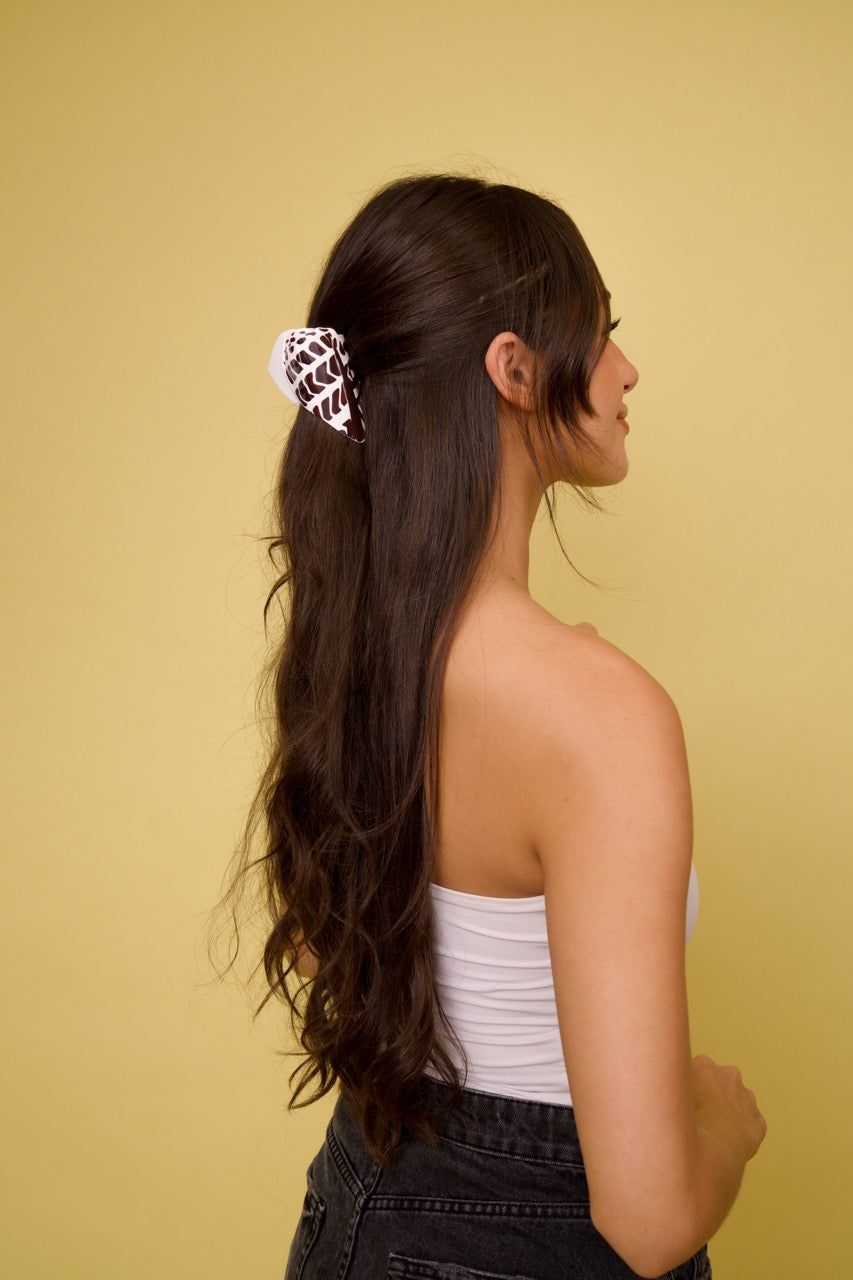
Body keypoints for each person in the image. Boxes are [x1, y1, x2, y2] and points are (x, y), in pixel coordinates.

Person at [242, 174, 766, 1279]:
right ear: (514, 369)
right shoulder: (595, 710)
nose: (626, 370)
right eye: (603, 332)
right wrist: (724, 1125)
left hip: (358, 1204)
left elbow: (336, 945)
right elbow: (649, 1220)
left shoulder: (360, 651)